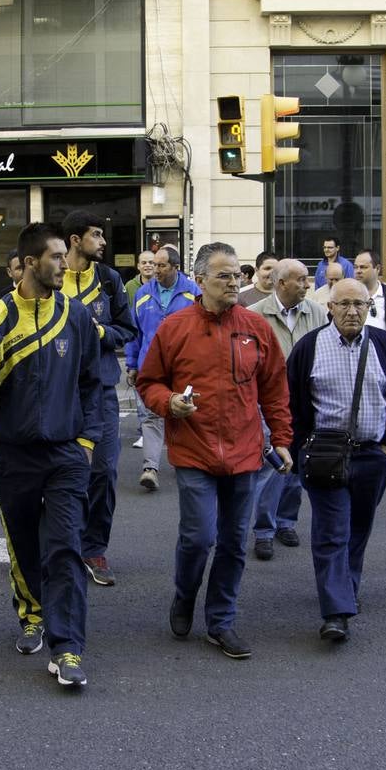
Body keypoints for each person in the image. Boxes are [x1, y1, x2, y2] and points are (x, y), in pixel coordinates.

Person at [0, 222, 103, 689]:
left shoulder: (75, 315)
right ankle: (33, 615)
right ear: (29, 263)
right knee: (22, 545)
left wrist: (87, 442)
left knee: (65, 546)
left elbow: (93, 383)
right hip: (14, 455)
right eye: (56, 257)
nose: (64, 264)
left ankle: (67, 647)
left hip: (65, 454)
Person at [138, 242, 292, 660]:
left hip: (244, 453)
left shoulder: (255, 327)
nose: (234, 282)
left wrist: (281, 439)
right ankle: (185, 594)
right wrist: (169, 401)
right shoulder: (175, 327)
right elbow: (149, 382)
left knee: (233, 542)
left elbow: (275, 389)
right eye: (224, 275)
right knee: (198, 537)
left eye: (236, 274)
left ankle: (221, 620)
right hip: (194, 451)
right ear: (200, 279)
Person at [286, 279, 386, 643]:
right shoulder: (309, 347)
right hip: (324, 455)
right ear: (330, 308)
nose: (352, 311)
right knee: (332, 531)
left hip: (373, 455)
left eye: (360, 304)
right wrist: (299, 450)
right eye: (344, 304)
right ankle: (336, 612)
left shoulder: (385, 345)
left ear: (369, 307)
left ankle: (345, 588)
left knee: (357, 529)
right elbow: (291, 404)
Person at [60, 209, 137, 588]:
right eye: (96, 234)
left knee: (103, 472)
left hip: (102, 392)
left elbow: (127, 329)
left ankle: (93, 548)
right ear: (76, 240)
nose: (103, 241)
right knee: (60, 474)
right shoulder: (53, 276)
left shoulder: (109, 279)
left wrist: (101, 333)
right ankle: (62, 545)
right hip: (58, 393)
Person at [248, 258, 326, 560]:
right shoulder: (255, 315)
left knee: (296, 468)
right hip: (267, 402)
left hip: (304, 402)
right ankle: (263, 531)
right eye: (301, 279)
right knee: (271, 467)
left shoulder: (317, 312)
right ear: (281, 283)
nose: (307, 285)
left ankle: (286, 522)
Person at [125, 246, 199, 491]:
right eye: (154, 265)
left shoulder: (193, 293)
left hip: (184, 368)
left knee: (184, 414)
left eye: (161, 265)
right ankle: (150, 469)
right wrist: (132, 364)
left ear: (176, 267)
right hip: (151, 366)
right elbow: (135, 332)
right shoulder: (143, 293)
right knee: (151, 416)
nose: (155, 270)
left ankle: (186, 462)